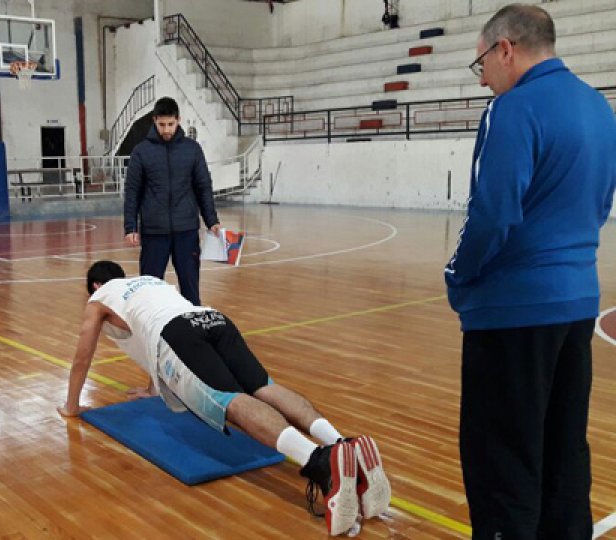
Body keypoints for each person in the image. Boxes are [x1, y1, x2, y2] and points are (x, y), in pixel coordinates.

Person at [59, 261, 391, 536]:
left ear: (95, 285)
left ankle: (320, 462)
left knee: (227, 400)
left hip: (176, 334)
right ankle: (341, 443)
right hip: (211, 318)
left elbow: (82, 356)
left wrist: (72, 407)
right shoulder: (148, 281)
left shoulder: (99, 298)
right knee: (265, 387)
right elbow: (155, 330)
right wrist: (151, 388)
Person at [446, 5, 616, 539]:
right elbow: (601, 202)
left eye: (482, 65)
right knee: (564, 453)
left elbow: (493, 212)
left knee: (503, 464)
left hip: (510, 314)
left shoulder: (512, 109)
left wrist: (459, 275)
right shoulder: (599, 108)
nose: (485, 81)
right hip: (576, 305)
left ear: (505, 49)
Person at [123, 97, 220, 307]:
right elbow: (132, 191)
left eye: (171, 124)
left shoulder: (192, 149)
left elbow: (203, 186)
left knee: (191, 289)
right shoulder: (141, 151)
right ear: (154, 120)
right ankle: (149, 334)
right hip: (153, 232)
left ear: (178, 120)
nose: (166, 129)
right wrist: (130, 226)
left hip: (186, 231)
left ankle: (193, 333)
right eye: (161, 124)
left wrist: (211, 219)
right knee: (149, 290)